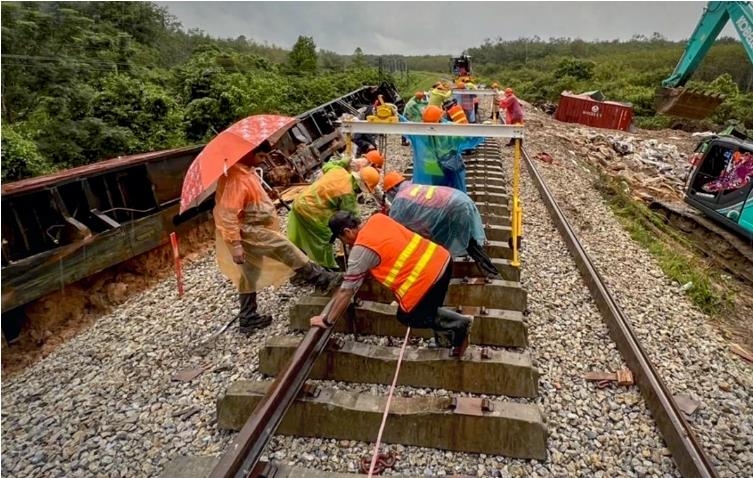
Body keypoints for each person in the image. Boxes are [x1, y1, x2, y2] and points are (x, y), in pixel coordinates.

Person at [310, 211, 473, 357]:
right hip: (441, 259)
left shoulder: (360, 251)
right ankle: (446, 341)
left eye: (342, 239)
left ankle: (460, 324)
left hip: (426, 277)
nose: (345, 243)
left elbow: (347, 291)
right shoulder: (378, 219)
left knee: (409, 316)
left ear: (347, 231)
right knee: (430, 308)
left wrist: (327, 320)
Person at [213, 151, 342, 334]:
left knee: (250, 273)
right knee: (285, 247)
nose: (263, 160)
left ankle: (248, 317)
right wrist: (235, 244)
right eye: (260, 156)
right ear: (249, 154)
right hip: (249, 230)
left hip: (253, 227)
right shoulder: (236, 178)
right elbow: (227, 214)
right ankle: (320, 278)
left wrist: (267, 196)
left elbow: (250, 197)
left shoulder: (246, 171)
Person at [382, 172, 502, 280]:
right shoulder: (413, 186)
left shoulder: (400, 200)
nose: (389, 197)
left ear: (392, 189)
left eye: (387, 193)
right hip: (458, 199)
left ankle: (441, 275)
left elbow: (396, 231)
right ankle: (490, 271)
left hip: (453, 208)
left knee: (453, 245)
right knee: (463, 241)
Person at [287, 166, 380, 269]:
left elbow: (327, 166)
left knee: (301, 234)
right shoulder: (347, 193)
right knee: (325, 236)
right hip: (311, 210)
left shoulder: (340, 171)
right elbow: (352, 216)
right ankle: (328, 266)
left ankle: (297, 253)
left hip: (301, 200)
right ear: (363, 185)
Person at [401, 105, 485, 192]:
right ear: (440, 117)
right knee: (452, 191)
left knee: (433, 190)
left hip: (431, 164)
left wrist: (395, 114)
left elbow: (405, 125)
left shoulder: (421, 131)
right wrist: (482, 130)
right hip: (449, 164)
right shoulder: (448, 129)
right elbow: (468, 138)